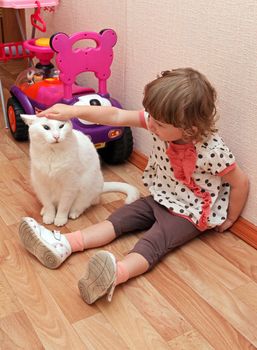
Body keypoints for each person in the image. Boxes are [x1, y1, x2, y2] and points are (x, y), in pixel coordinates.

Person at [19, 68, 249, 305]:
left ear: (189, 128)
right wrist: (74, 110)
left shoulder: (212, 151)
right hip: (162, 196)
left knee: (154, 242)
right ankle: (64, 244)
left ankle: (115, 274)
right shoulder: (159, 122)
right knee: (119, 218)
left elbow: (240, 182)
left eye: (158, 123)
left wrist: (230, 218)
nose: (150, 124)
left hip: (190, 213)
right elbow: (115, 116)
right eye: (150, 117)